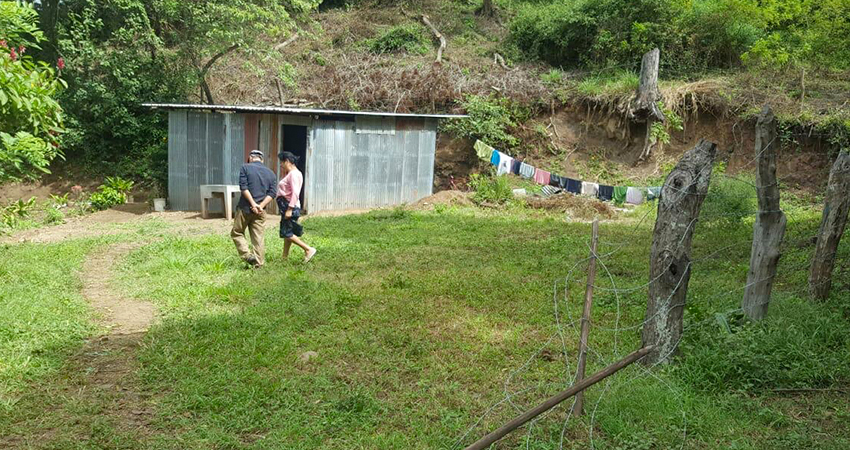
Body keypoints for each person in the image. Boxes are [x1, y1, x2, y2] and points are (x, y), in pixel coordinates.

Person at [232, 149, 277, 268]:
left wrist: (253, 204)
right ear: (262, 160)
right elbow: (272, 193)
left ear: (251, 157)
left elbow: (244, 187)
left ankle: (247, 256)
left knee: (237, 232)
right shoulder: (271, 173)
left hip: (245, 208)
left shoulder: (245, 168)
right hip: (261, 211)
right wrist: (260, 206)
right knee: (258, 238)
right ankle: (259, 264)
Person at [277, 151, 317, 263]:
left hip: (289, 206)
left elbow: (295, 193)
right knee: (287, 232)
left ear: (287, 161)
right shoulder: (290, 174)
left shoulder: (294, 174)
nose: (281, 165)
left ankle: (308, 249)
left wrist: (289, 209)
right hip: (287, 205)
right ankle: (284, 258)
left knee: (286, 233)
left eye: (282, 162)